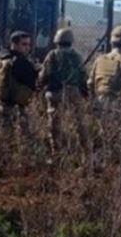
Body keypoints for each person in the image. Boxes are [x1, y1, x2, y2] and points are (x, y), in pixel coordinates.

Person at [0, 31, 39, 182]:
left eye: (29, 44)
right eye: (24, 44)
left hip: (4, 103)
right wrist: (37, 69)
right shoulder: (19, 62)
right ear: (14, 44)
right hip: (15, 105)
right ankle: (32, 165)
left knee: (1, 136)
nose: (27, 48)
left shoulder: (1, 58)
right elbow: (33, 80)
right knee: (26, 134)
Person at [38, 28, 88, 157]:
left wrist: (40, 86)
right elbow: (83, 75)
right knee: (80, 121)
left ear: (57, 40)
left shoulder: (52, 55)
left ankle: (56, 151)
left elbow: (44, 74)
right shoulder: (77, 56)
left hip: (55, 92)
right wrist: (84, 92)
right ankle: (85, 150)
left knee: (55, 122)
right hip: (74, 91)